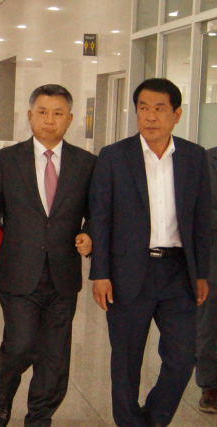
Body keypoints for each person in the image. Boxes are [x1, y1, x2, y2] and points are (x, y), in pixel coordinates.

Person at [90, 78, 211, 427]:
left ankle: (153, 420)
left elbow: (201, 221)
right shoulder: (114, 156)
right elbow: (100, 218)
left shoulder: (194, 157)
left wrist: (201, 273)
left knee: (182, 358)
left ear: (176, 114)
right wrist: (100, 273)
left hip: (178, 273)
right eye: (143, 107)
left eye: (159, 108)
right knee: (125, 361)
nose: (150, 116)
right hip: (129, 271)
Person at [0, 84, 97, 427]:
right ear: (29, 116)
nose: (50, 120)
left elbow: (97, 213)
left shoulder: (86, 163)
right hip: (18, 272)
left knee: (54, 357)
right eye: (43, 112)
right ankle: (4, 393)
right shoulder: (6, 161)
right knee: (20, 346)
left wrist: (89, 234)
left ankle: (40, 417)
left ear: (71, 119)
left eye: (58, 113)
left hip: (63, 274)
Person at [196, 145, 217, 413]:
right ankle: (210, 386)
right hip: (213, 259)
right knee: (209, 325)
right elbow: (203, 210)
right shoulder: (208, 159)